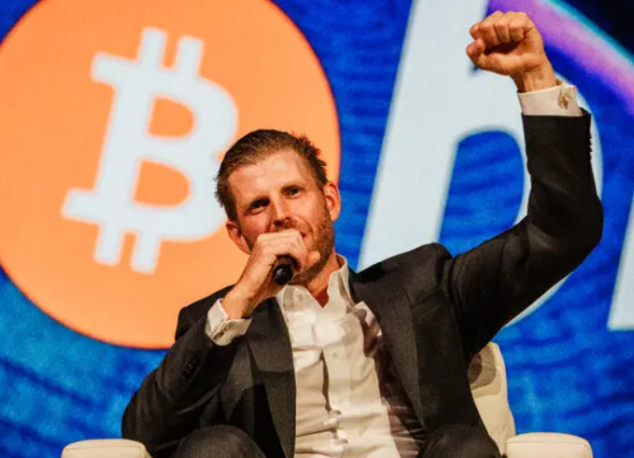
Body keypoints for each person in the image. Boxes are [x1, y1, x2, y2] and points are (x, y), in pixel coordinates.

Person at [122, 11, 603, 458]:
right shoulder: (220, 326)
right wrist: (241, 301)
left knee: (463, 445)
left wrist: (535, 79)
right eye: (258, 206)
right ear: (237, 235)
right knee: (212, 446)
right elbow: (144, 434)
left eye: (294, 192)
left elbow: (562, 232)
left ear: (330, 200)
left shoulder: (424, 286)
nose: (281, 215)